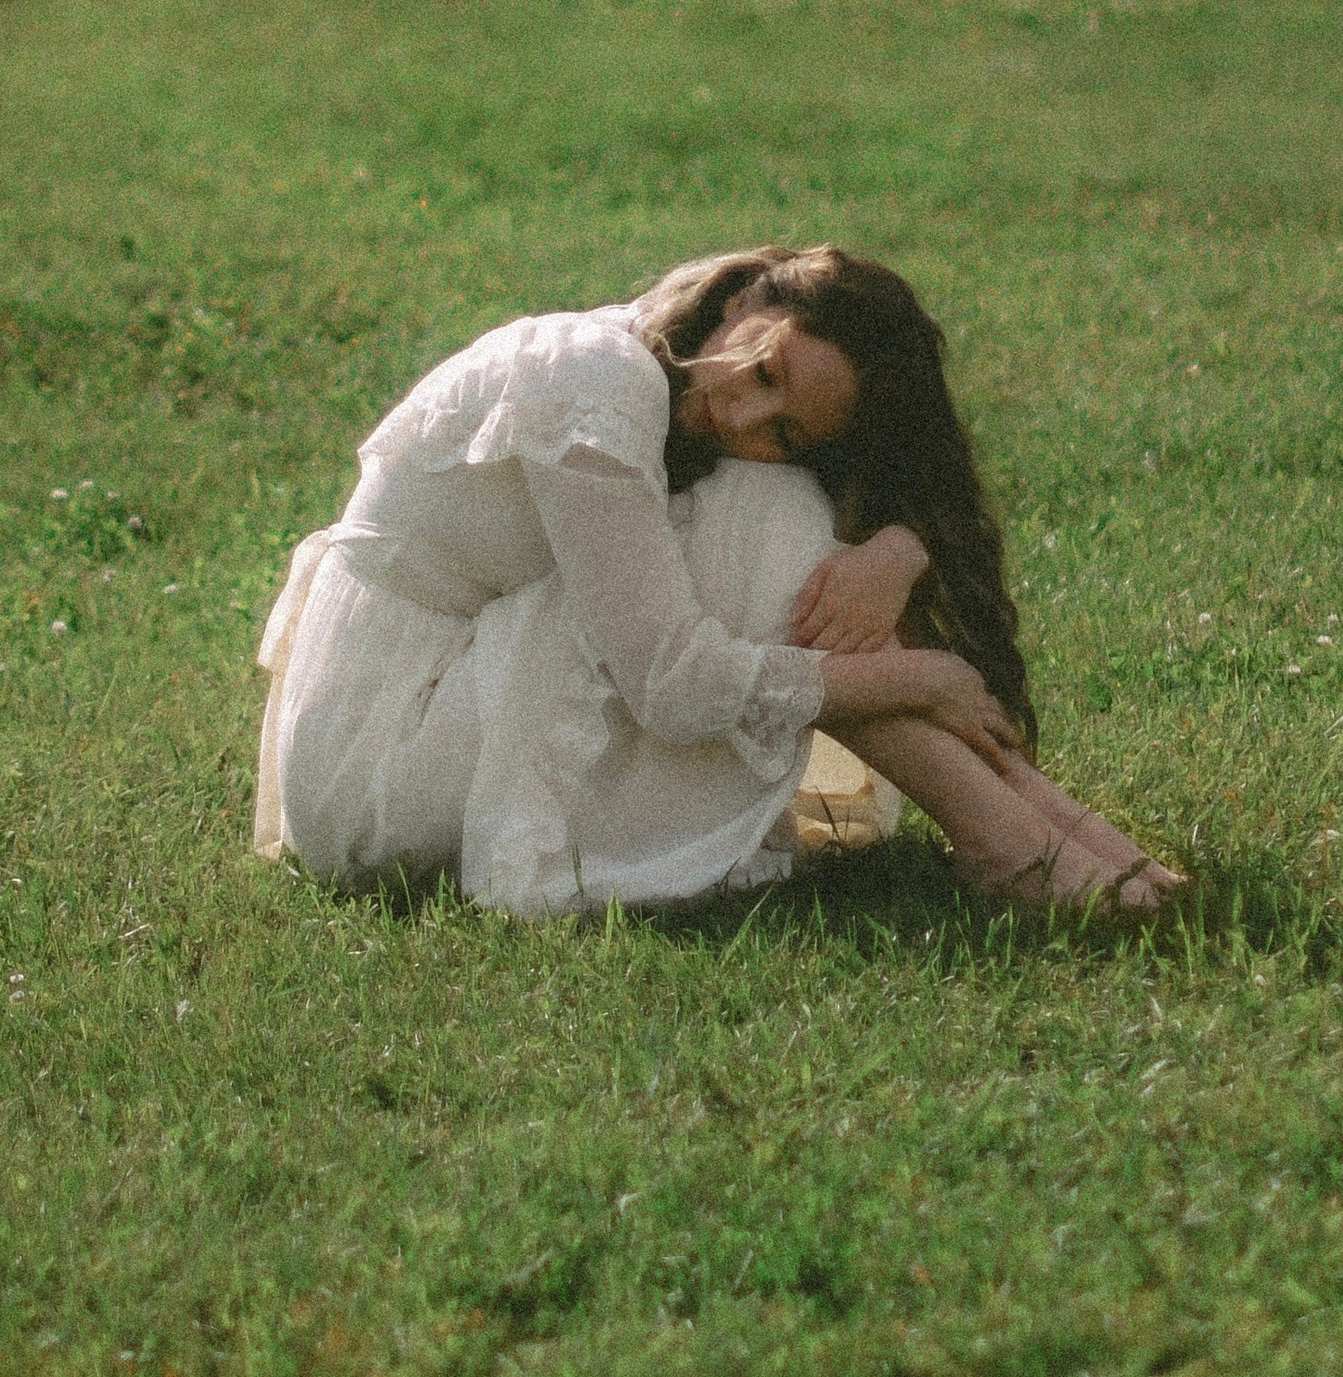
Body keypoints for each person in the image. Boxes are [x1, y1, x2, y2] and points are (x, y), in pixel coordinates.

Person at [251, 244, 1179, 920]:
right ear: (741, 296)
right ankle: (1010, 841)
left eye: (786, 426)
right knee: (762, 520)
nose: (744, 407)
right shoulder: (599, 379)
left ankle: (1043, 828)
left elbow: (833, 499)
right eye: (765, 365)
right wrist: (917, 677)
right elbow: (673, 686)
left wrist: (898, 548)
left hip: (446, 691)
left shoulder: (667, 382)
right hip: (372, 773)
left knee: (770, 506)